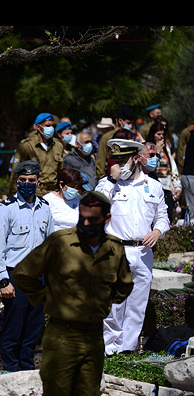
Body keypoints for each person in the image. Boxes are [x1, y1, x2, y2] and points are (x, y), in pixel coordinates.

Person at [11, 190, 133, 396]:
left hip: (93, 337)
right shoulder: (60, 243)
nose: (86, 224)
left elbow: (124, 286)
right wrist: (45, 298)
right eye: (83, 217)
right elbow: (23, 274)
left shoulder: (114, 249)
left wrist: (101, 303)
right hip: (61, 336)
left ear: (107, 218)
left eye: (93, 220)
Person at [96, 138, 170, 355]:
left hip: (143, 252)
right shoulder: (108, 184)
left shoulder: (153, 186)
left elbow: (163, 217)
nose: (118, 165)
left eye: (123, 160)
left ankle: (127, 350)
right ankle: (110, 350)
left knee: (137, 305)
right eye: (115, 160)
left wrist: (158, 231)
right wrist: (111, 178)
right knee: (114, 306)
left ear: (136, 158)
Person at [0, 160, 55, 372]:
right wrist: (3, 280)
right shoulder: (6, 210)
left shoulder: (45, 208)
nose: (27, 183)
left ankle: (26, 369)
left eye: (31, 180)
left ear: (38, 181)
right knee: (13, 329)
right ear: (17, 181)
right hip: (15, 276)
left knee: (34, 329)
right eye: (23, 180)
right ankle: (11, 370)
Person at [10, 113, 65, 196]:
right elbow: (15, 172)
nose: (51, 128)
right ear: (38, 127)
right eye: (47, 125)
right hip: (33, 192)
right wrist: (13, 194)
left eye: (52, 126)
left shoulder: (58, 145)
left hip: (53, 192)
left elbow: (61, 171)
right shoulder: (27, 145)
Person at [148, 119, 181, 224]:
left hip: (167, 188)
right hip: (153, 188)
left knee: (167, 218)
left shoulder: (166, 148)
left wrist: (177, 186)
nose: (161, 137)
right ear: (153, 135)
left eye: (163, 134)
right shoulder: (147, 148)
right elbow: (150, 167)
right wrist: (156, 152)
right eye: (158, 134)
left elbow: (172, 167)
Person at [95, 106, 141, 179]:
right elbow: (101, 160)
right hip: (112, 175)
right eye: (128, 123)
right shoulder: (107, 137)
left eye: (132, 123)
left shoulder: (132, 135)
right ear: (120, 121)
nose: (131, 126)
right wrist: (101, 178)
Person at [43, 167, 85, 232]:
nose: (74, 190)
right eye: (72, 186)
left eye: (76, 188)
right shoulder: (47, 200)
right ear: (61, 184)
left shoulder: (78, 202)